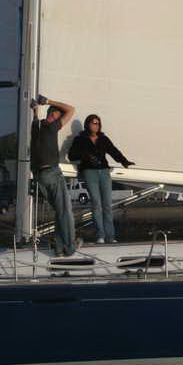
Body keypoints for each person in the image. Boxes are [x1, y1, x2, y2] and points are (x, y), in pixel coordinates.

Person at [67, 114, 133, 244]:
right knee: (96, 204)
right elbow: (71, 155)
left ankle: (110, 236)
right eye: (94, 123)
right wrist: (86, 156)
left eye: (98, 123)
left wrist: (124, 161)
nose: (96, 126)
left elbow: (113, 151)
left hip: (104, 171)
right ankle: (100, 235)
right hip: (89, 172)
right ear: (88, 124)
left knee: (107, 205)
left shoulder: (103, 138)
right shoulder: (80, 139)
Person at [30, 95, 77, 256]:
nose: (54, 116)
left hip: (40, 176)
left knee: (59, 211)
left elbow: (35, 119)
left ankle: (59, 247)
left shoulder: (37, 126)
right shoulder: (51, 127)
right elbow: (71, 110)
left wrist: (35, 110)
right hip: (51, 172)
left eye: (55, 114)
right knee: (65, 211)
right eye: (52, 113)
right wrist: (48, 101)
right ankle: (70, 247)